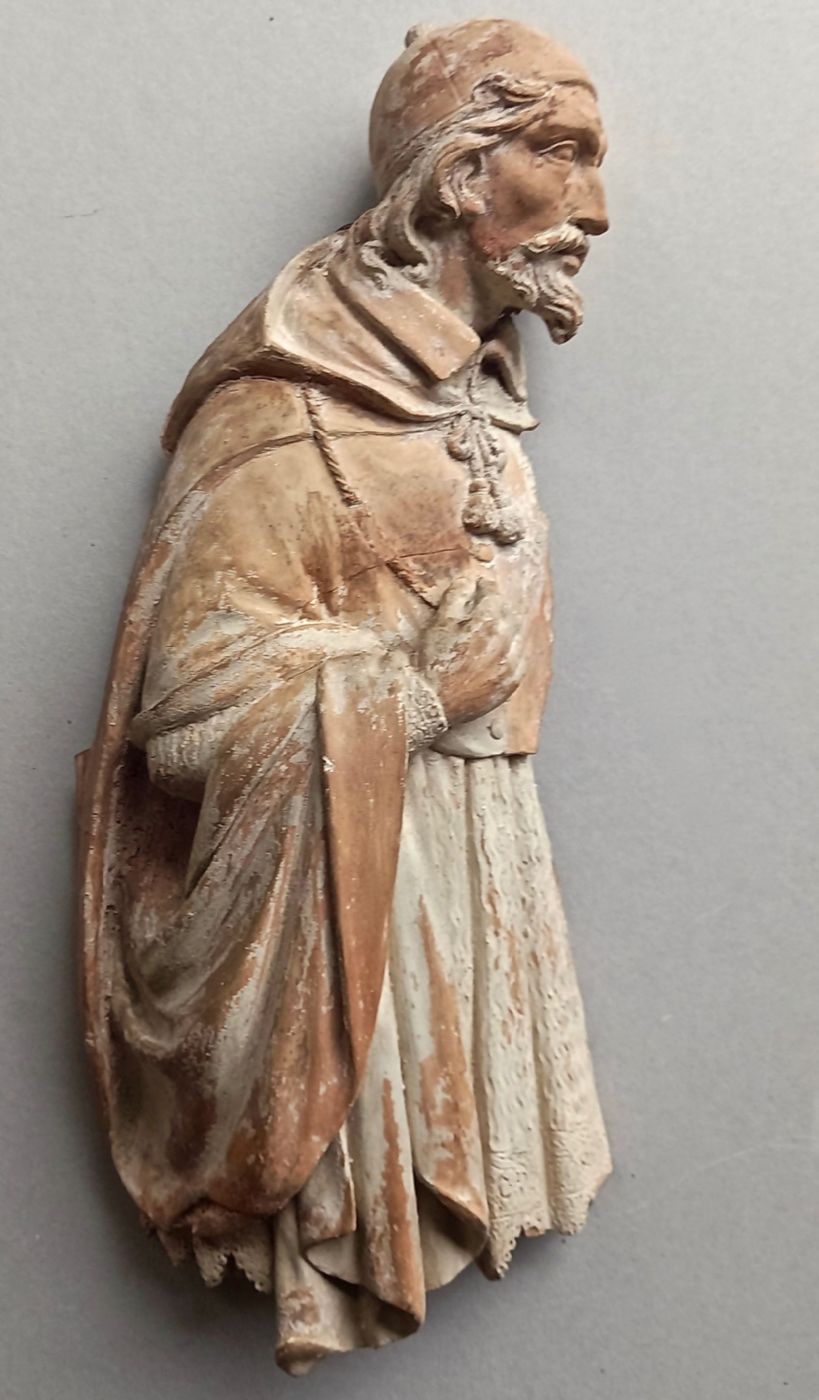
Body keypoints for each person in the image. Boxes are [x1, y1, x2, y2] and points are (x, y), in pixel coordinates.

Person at [77, 18, 612, 1374]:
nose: (597, 209)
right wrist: (410, 695)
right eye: (563, 153)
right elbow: (185, 714)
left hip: (476, 894)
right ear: (457, 177)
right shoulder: (286, 408)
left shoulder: (476, 398)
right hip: (353, 919)